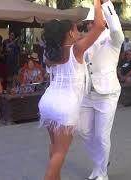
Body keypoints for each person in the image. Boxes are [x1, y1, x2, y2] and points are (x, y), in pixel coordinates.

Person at [38, 0, 105, 179]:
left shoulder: (50, 52)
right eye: (76, 29)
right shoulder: (76, 49)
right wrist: (97, 3)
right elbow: (99, 25)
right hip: (64, 106)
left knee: (54, 149)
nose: (79, 32)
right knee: (60, 153)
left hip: (48, 102)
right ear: (69, 32)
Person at [77, 1, 125, 180]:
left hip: (107, 94)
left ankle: (101, 173)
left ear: (102, 21)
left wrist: (105, 6)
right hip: (87, 93)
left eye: (92, 22)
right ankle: (101, 163)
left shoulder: (112, 38)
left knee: (101, 136)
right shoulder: (86, 40)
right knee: (83, 130)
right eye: (88, 23)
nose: (89, 25)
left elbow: (117, 31)